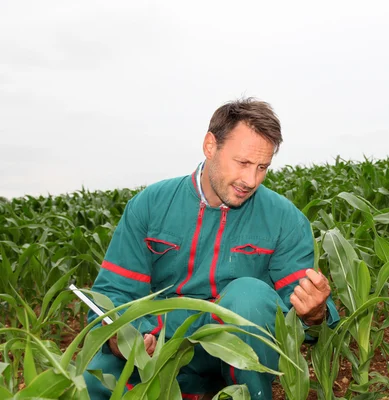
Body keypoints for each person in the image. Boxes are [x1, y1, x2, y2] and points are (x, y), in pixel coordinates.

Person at [83, 98, 340, 400]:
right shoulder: (151, 205)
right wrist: (122, 336)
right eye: (243, 163)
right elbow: (114, 293)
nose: (251, 180)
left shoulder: (283, 219)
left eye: (262, 167)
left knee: (249, 295)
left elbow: (298, 314)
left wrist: (315, 313)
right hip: (160, 343)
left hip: (238, 351)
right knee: (93, 379)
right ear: (210, 146)